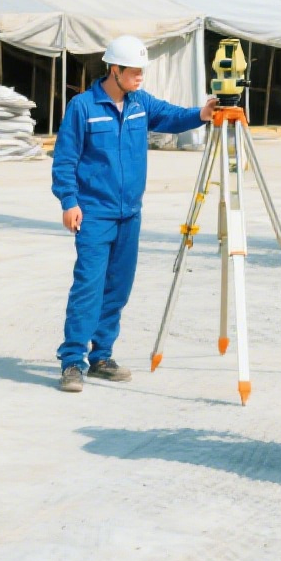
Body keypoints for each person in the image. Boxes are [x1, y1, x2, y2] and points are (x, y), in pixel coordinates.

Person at [51, 34, 225, 393]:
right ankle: (72, 361)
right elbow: (65, 159)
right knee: (89, 285)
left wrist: (201, 114)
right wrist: (69, 202)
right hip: (94, 212)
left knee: (118, 288)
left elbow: (171, 116)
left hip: (130, 213)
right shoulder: (83, 107)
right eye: (133, 71)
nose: (139, 76)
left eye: (141, 71)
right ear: (113, 70)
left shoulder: (140, 103)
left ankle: (101, 355)